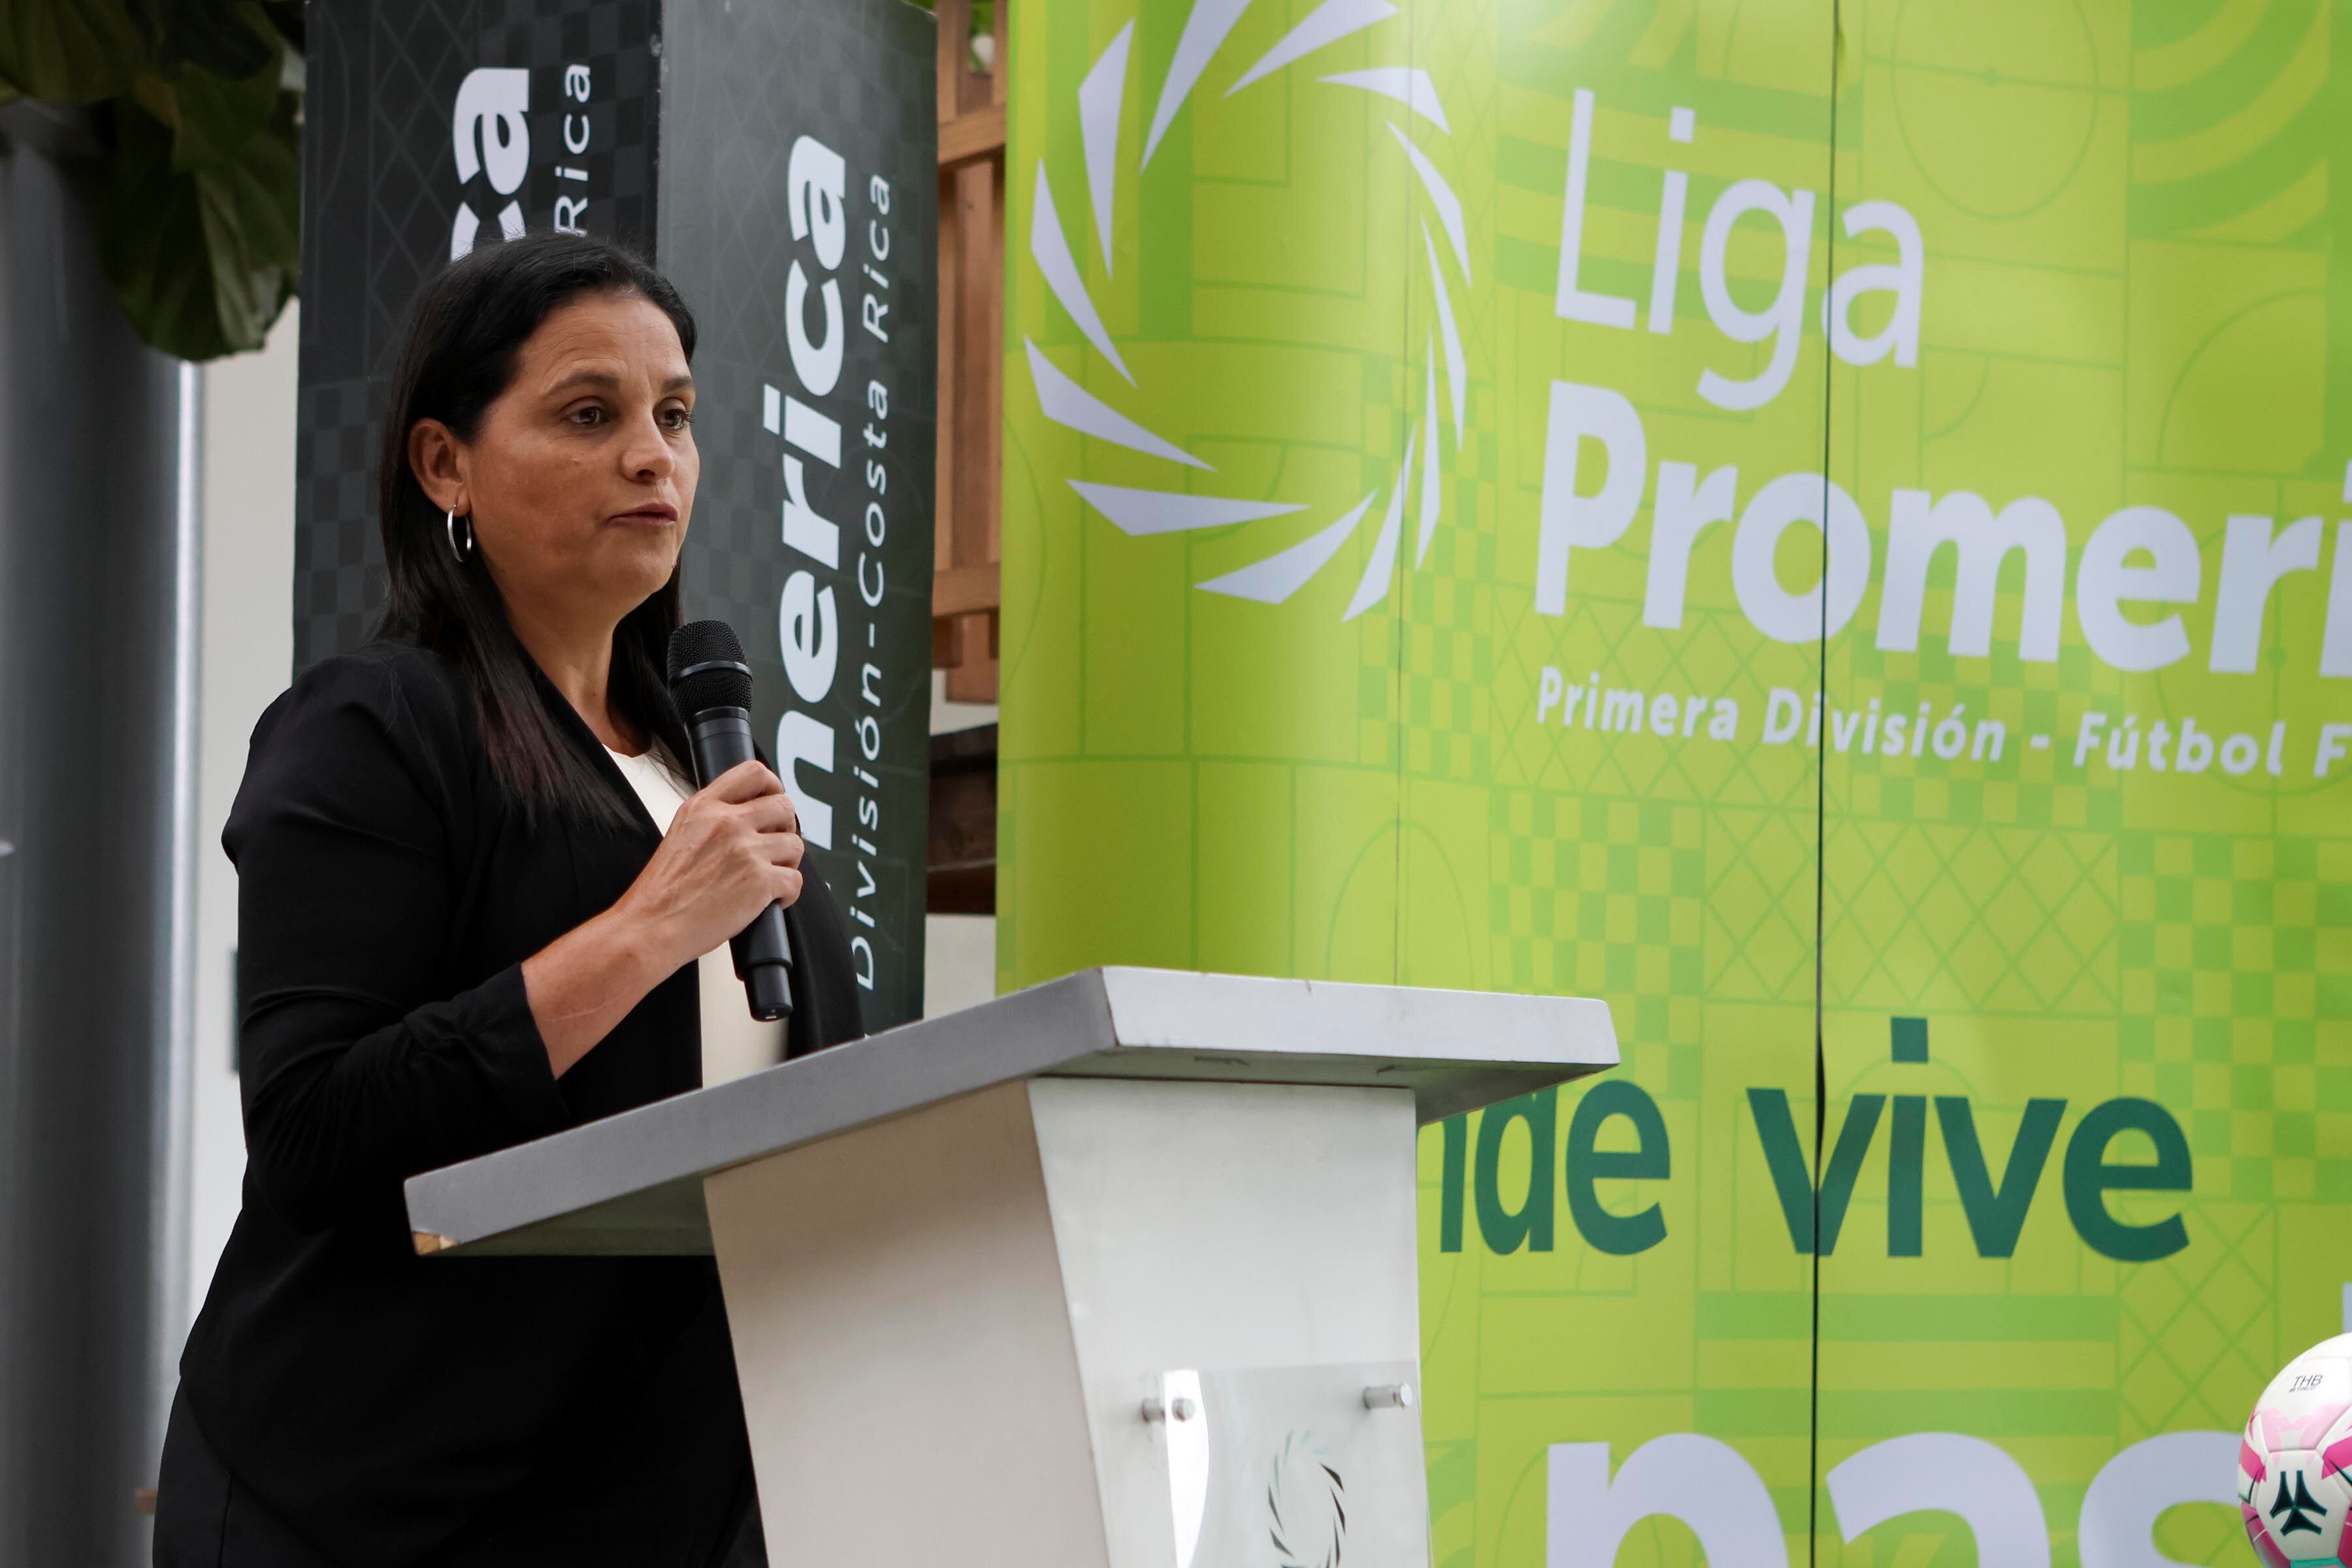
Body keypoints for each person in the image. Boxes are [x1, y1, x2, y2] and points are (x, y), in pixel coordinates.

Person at [153, 233, 863, 1567]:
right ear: (445, 464)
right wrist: (650, 931)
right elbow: (314, 1130)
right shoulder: (374, 727)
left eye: (674, 417)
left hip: (662, 1507)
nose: (653, 456)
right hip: (382, 1511)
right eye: (589, 415)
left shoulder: (703, 766)